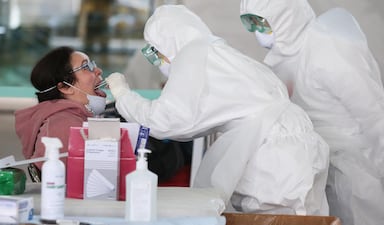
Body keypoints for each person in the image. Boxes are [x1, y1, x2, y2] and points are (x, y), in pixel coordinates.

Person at [106, 5, 329, 215]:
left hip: (275, 159)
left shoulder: (193, 56)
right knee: (301, 216)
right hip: (295, 148)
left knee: (279, 217)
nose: (157, 61)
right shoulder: (217, 52)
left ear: (168, 42)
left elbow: (167, 121)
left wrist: (123, 95)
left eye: (156, 52)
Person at [239, 0, 384, 224]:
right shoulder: (283, 58)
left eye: (263, 24)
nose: (258, 33)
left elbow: (372, 113)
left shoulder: (326, 47)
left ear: (285, 16)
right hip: (324, 168)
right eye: (252, 25)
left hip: (360, 170)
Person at [15, 46, 107, 172]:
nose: (98, 70)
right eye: (86, 67)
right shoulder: (64, 125)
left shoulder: (76, 117)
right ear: (65, 87)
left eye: (92, 64)